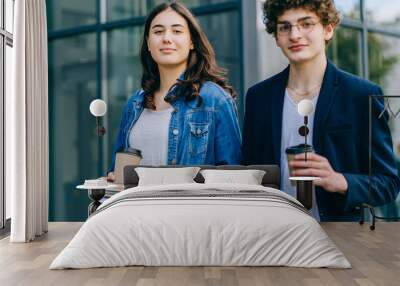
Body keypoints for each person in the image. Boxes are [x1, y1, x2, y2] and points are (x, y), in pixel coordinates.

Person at [242, 0, 400, 221]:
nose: (295, 35)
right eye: (285, 27)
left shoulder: (361, 95)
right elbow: (249, 173)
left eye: (306, 24)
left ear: (328, 29)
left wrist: (340, 180)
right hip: (273, 237)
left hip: (339, 242)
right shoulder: (258, 97)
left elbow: (389, 184)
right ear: (277, 37)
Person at [107, 2, 241, 181]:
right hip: (137, 208)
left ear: (192, 41)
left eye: (177, 31)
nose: (166, 38)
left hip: (190, 208)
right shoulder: (134, 104)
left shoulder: (214, 100)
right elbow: (117, 171)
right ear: (148, 43)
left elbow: (233, 178)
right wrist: (112, 176)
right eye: (158, 31)